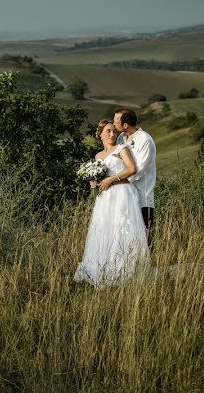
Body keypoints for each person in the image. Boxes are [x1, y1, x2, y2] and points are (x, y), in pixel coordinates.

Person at [73, 119, 150, 287]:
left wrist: (111, 179)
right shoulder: (98, 156)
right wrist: (95, 182)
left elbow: (131, 169)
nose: (112, 134)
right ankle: (102, 268)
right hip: (105, 197)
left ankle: (124, 270)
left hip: (122, 193)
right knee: (104, 229)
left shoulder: (121, 149)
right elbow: (99, 177)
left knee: (121, 229)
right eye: (108, 131)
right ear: (100, 134)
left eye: (114, 131)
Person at [114, 108, 156, 248]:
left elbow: (137, 170)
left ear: (125, 125)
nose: (113, 125)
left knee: (144, 237)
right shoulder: (121, 138)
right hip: (123, 195)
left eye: (115, 122)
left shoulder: (145, 140)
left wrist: (114, 181)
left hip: (141, 197)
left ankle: (146, 267)